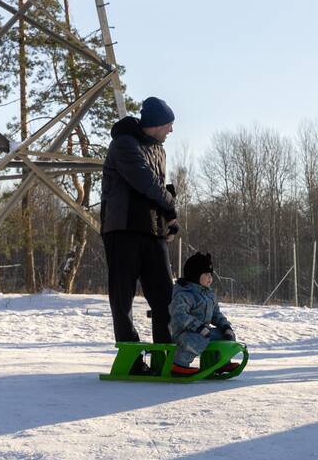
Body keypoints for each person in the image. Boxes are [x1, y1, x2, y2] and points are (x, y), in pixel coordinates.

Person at [100, 96, 179, 375]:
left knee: (164, 296)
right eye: (168, 124)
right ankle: (132, 360)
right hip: (122, 229)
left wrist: (170, 218)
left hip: (152, 231)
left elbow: (160, 189)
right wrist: (170, 202)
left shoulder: (159, 149)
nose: (171, 130)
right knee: (122, 297)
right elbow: (146, 183)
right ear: (156, 123)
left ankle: (165, 357)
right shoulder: (124, 144)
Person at [168, 252, 237, 377]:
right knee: (196, 339)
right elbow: (179, 315)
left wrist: (226, 326)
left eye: (211, 274)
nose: (210, 278)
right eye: (206, 274)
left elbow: (216, 314)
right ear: (195, 275)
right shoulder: (185, 294)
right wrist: (198, 327)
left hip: (205, 332)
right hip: (184, 334)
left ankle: (221, 363)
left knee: (226, 336)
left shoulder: (209, 295)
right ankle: (179, 365)